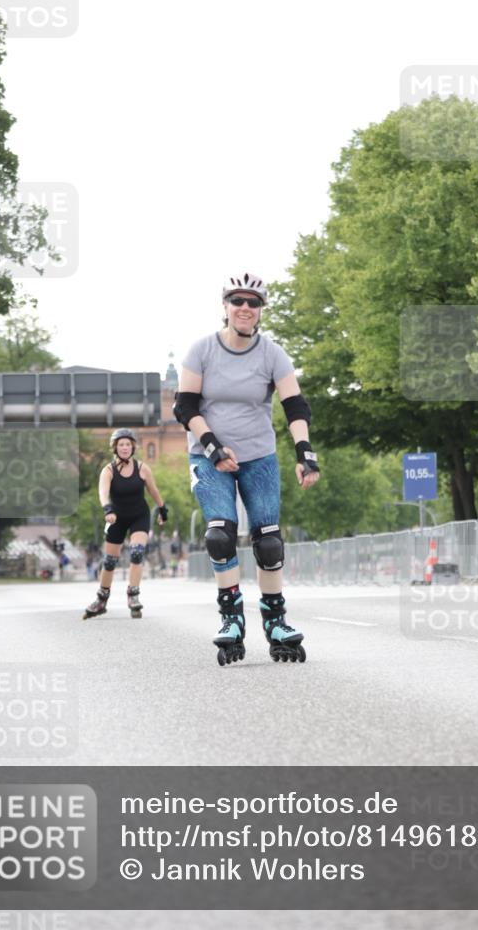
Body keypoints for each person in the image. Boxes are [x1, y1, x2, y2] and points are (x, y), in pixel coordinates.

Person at [174, 272, 320, 666]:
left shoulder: (273, 353)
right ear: (225, 307)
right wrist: (213, 446)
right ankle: (231, 618)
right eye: (236, 300)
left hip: (258, 455)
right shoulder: (202, 350)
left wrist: (305, 453)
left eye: (252, 302)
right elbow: (184, 407)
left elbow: (295, 406)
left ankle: (275, 621)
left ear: (260, 311)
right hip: (208, 456)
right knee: (220, 536)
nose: (244, 307)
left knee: (269, 540)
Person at [82, 428, 168, 620]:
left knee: (137, 552)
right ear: (115, 447)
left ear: (133, 447)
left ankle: (133, 596)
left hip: (139, 515)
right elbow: (103, 493)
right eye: (121, 444)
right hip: (116, 517)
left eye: (128, 444)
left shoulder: (142, 468)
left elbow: (153, 491)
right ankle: (101, 600)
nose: (125, 447)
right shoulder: (108, 470)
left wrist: (162, 509)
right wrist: (107, 510)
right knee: (110, 561)